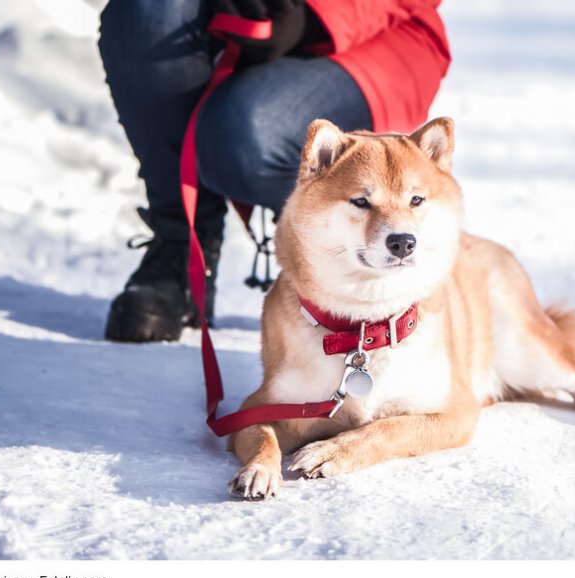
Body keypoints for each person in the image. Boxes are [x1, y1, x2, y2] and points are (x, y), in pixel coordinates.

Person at [98, 0, 451, 342]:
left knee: (247, 134)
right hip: (222, 23)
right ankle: (182, 245)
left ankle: (332, 256)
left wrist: (314, 19)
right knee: (142, 11)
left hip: (373, 33)